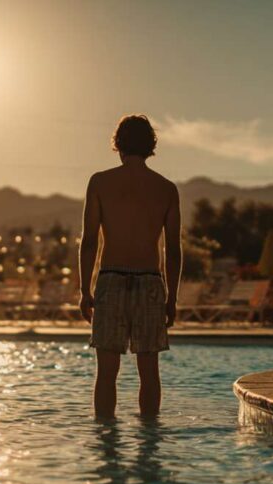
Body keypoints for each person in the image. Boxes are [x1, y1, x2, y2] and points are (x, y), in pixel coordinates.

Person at [78, 115, 182, 419]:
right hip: (150, 283)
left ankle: (106, 445)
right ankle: (149, 446)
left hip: (110, 280)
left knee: (106, 373)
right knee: (149, 372)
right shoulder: (166, 189)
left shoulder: (100, 182)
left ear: (118, 144)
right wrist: (172, 297)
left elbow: (88, 242)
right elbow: (173, 250)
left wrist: (85, 290)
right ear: (150, 146)